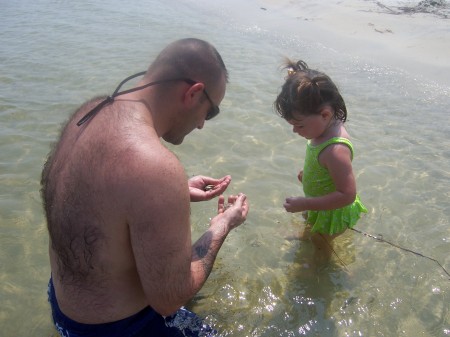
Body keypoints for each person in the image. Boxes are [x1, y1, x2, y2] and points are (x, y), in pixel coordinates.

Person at [41, 38, 249, 337]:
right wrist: (221, 226)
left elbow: (91, 205)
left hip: (65, 311)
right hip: (119, 329)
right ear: (194, 93)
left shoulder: (87, 114)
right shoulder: (154, 167)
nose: (203, 124)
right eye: (210, 111)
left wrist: (171, 196)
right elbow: (169, 299)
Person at [274, 59, 367, 262]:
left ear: (325, 114)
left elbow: (348, 194)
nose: (294, 131)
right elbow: (322, 164)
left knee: (321, 245)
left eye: (299, 125)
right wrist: (309, 175)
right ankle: (306, 237)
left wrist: (306, 202)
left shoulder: (335, 150)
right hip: (320, 204)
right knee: (309, 224)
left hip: (332, 213)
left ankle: (322, 271)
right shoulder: (322, 128)